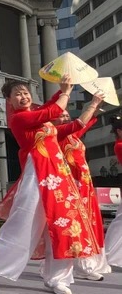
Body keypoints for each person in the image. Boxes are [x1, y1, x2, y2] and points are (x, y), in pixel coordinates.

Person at [0, 76, 100, 294]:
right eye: (17, 94)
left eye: (25, 92)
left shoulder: (44, 123)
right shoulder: (18, 119)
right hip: (37, 174)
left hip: (59, 177)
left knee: (64, 225)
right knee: (22, 222)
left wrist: (90, 103)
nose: (23, 96)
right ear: (9, 101)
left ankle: (57, 279)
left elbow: (71, 124)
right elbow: (50, 111)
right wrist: (64, 92)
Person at [53, 93, 109, 280]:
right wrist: (92, 105)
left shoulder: (73, 136)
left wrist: (94, 110)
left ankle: (88, 264)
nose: (65, 117)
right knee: (77, 226)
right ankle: (81, 266)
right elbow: (79, 123)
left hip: (84, 185)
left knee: (90, 223)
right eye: (60, 115)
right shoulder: (57, 134)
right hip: (70, 187)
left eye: (66, 115)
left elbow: (82, 126)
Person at [105, 116, 122, 268]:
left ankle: (112, 254)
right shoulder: (119, 145)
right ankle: (110, 253)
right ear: (119, 131)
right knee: (120, 221)